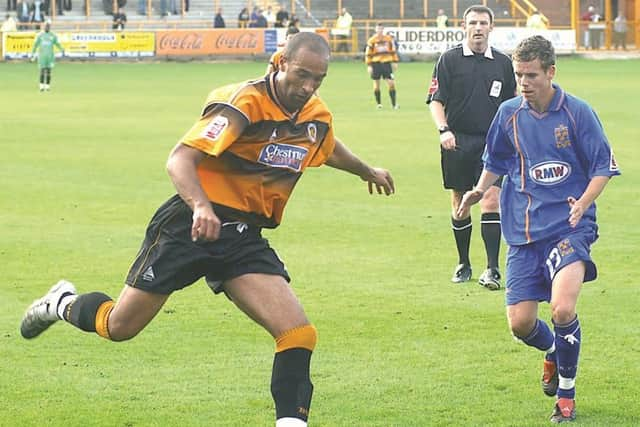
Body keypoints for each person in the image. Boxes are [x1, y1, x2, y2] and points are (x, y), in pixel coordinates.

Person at [19, 32, 395, 427]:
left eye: (318, 79)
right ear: (281, 61)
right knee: (120, 326)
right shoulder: (243, 104)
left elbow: (326, 144)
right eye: (302, 75)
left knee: (298, 333)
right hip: (189, 225)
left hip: (242, 237)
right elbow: (179, 160)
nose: (308, 87)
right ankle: (60, 302)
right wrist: (200, 205)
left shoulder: (315, 114)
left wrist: (366, 170)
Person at [458, 35, 620, 423]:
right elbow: (495, 159)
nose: (524, 83)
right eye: (518, 75)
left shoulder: (579, 113)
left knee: (563, 307)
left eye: (531, 75)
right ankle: (552, 350)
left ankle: (566, 395)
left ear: (551, 72)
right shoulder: (509, 113)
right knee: (521, 323)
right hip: (523, 229)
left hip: (569, 227)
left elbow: (602, 166)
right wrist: (479, 190)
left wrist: (583, 202)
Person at [426, 5, 516, 289]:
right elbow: (436, 100)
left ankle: (492, 269)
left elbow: (514, 100)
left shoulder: (502, 62)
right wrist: (443, 130)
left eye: (483, 23)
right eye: (473, 23)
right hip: (458, 141)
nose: (478, 28)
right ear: (463, 26)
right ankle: (463, 262)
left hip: (494, 143)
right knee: (461, 202)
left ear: (491, 27)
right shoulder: (449, 59)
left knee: (491, 199)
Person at [364, 22, 399, 110]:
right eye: (378, 29)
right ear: (375, 30)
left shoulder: (388, 39)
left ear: (383, 29)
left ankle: (394, 104)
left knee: (391, 83)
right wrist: (369, 65)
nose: (379, 30)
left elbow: (393, 51)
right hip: (376, 64)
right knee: (376, 84)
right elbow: (368, 54)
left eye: (381, 29)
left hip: (386, 63)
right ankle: (379, 104)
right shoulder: (372, 40)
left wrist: (395, 62)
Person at [30, 20, 64, 92]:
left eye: (48, 26)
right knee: (42, 71)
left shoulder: (53, 35)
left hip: (50, 57)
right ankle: (41, 87)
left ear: (50, 27)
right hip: (42, 56)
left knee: (49, 72)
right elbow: (35, 45)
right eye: (46, 26)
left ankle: (47, 87)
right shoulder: (40, 35)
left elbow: (57, 43)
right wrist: (32, 54)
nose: (47, 27)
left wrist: (62, 49)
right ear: (43, 27)